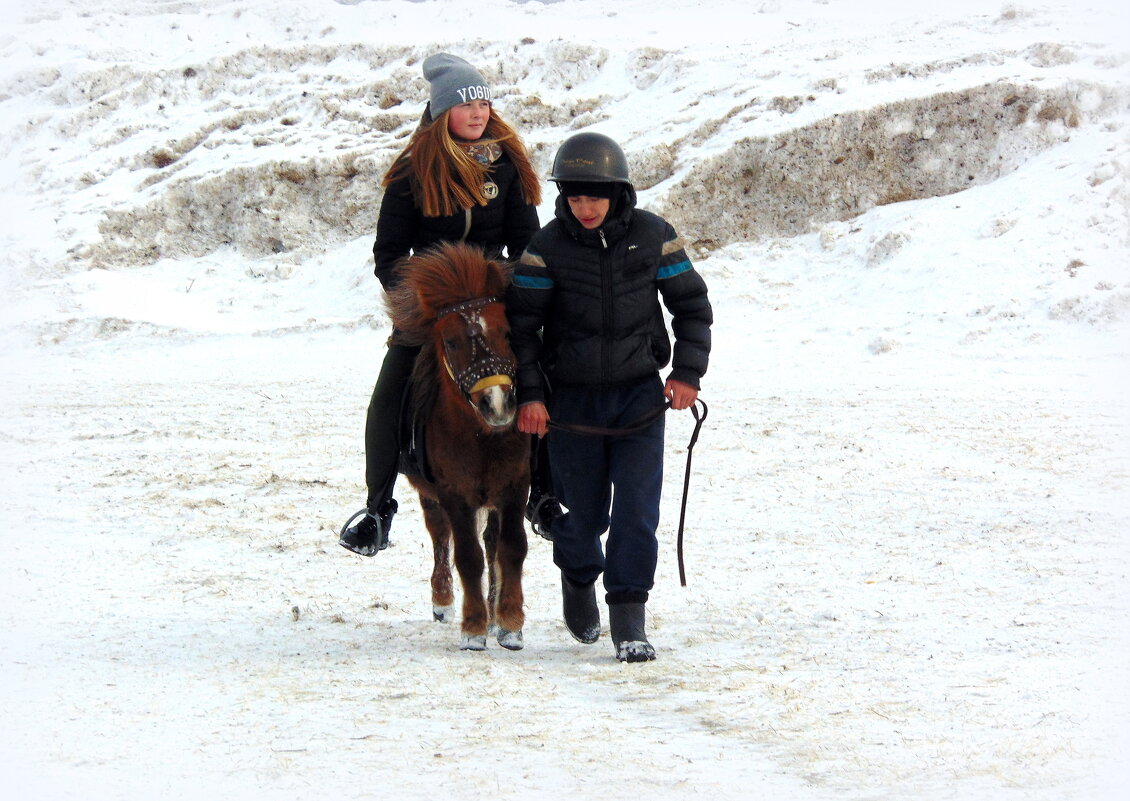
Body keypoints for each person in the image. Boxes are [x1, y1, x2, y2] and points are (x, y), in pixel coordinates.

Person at [506, 132, 713, 662]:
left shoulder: (654, 237)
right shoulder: (545, 247)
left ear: (618, 192)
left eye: (594, 197)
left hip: (639, 400)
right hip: (570, 405)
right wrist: (531, 396)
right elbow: (523, 330)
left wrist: (687, 373)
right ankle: (577, 578)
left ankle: (628, 615)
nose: (585, 208)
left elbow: (691, 307)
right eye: (574, 198)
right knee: (584, 516)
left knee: (637, 513)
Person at [340, 52, 556, 556]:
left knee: (543, 378)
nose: (478, 112)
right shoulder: (411, 172)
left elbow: (527, 242)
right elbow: (389, 254)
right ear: (441, 113)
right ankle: (377, 509)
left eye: (483, 101)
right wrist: (417, 297)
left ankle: (544, 493)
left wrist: (519, 290)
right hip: (432, 306)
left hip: (495, 295)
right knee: (388, 393)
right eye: (465, 105)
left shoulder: (506, 165)